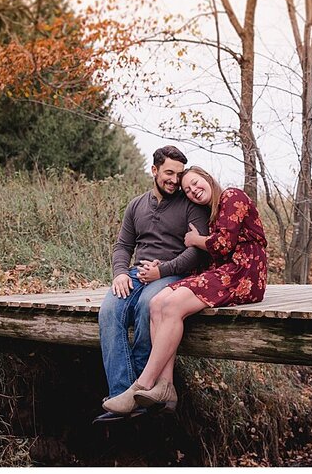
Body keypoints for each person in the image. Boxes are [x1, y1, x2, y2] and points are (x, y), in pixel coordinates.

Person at [101, 166, 267, 415]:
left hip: (244, 273)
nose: (193, 191)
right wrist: (162, 266)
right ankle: (165, 385)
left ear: (208, 178)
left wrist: (194, 240)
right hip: (220, 273)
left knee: (172, 304)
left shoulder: (232, 196)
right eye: (187, 190)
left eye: (196, 183)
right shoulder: (209, 211)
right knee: (158, 302)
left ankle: (143, 383)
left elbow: (222, 245)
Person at [95, 147, 210, 423]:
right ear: (155, 170)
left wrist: (162, 271)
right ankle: (121, 395)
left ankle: (143, 396)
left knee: (148, 306)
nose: (174, 180)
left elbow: (196, 252)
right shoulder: (136, 205)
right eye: (169, 172)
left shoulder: (190, 205)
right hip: (136, 274)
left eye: (179, 174)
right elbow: (123, 245)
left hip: (173, 274)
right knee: (109, 312)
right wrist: (121, 272)